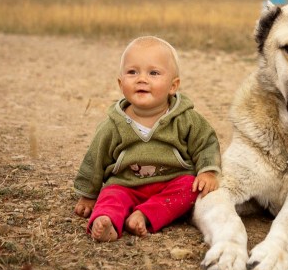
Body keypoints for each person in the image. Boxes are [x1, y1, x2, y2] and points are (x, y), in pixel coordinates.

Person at [73, 36, 220, 242]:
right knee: (110, 195)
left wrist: (208, 171)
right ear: (120, 83)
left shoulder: (186, 119)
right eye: (132, 72)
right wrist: (88, 194)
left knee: (190, 187)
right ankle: (107, 222)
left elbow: (206, 143)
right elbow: (95, 158)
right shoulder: (113, 124)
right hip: (126, 184)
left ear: (173, 85)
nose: (142, 79)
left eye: (154, 73)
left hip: (171, 182)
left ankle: (143, 216)